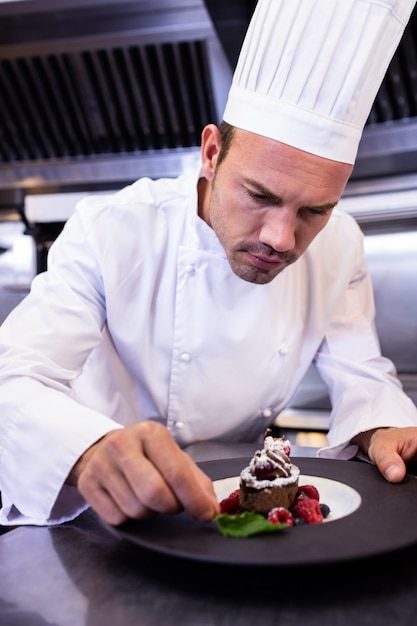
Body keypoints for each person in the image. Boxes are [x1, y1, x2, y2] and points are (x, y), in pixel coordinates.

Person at [1, 0, 417, 528]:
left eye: (315, 210)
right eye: (259, 195)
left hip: (240, 512)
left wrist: (383, 429)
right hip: (101, 513)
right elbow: (13, 378)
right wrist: (86, 450)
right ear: (211, 152)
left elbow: (363, 377)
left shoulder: (341, 246)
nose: (281, 238)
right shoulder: (110, 228)